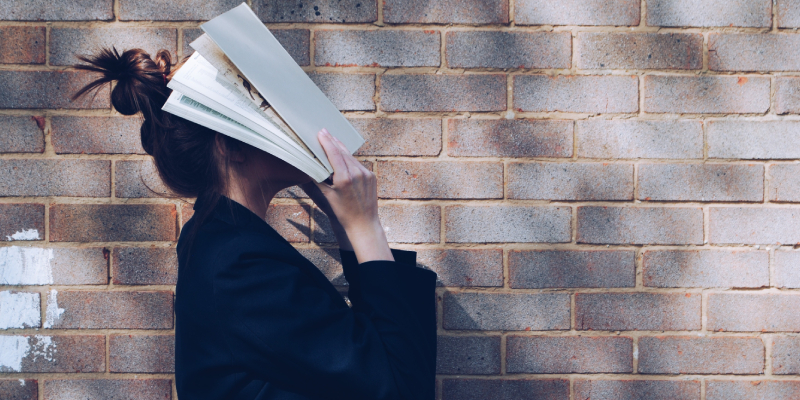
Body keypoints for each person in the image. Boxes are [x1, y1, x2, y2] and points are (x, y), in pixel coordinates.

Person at [71, 47, 437, 400]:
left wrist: (344, 221)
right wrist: (365, 226)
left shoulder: (225, 244)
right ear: (231, 145)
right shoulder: (238, 268)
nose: (293, 123)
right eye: (270, 112)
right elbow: (401, 386)